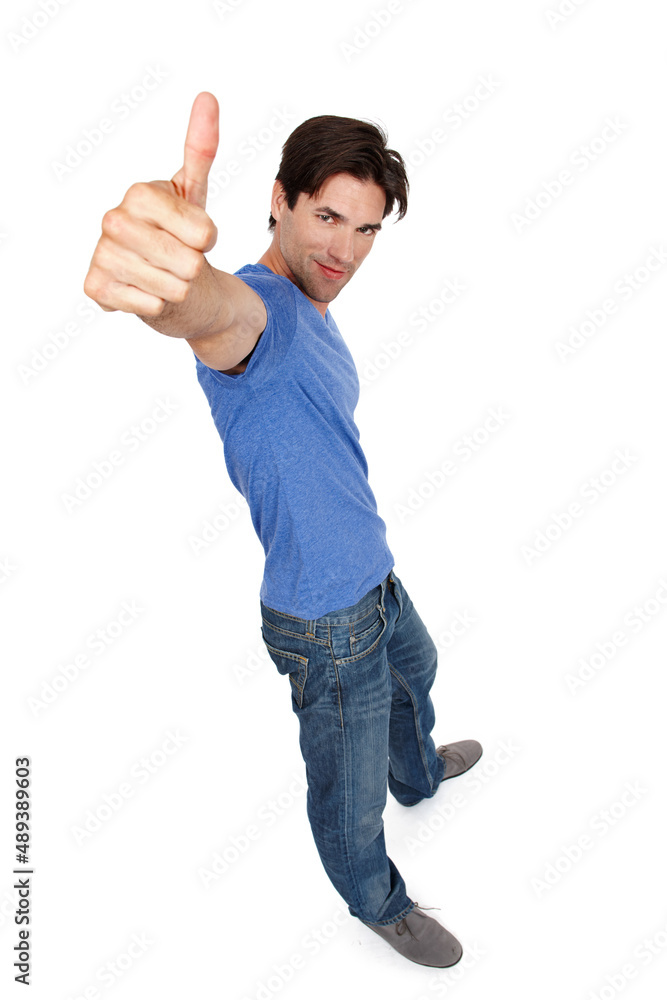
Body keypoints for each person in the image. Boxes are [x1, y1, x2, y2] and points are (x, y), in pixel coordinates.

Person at [83, 91, 483, 968]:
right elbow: (211, 313)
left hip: (374, 576)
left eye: (367, 229)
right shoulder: (256, 311)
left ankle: (415, 774)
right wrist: (172, 288)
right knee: (346, 798)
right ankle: (377, 902)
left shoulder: (313, 310)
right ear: (280, 199)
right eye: (328, 215)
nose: (344, 248)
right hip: (324, 624)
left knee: (419, 674)